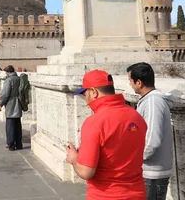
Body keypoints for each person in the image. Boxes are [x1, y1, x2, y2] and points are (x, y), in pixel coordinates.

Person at [66, 69, 147, 199]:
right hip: (137, 193)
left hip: (106, 195)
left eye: (85, 94)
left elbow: (86, 172)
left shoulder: (94, 123)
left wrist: (73, 158)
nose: (86, 100)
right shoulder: (136, 116)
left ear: (94, 92)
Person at [127, 62, 174, 200]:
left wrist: (134, 160)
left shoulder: (153, 102)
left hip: (152, 173)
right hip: (149, 171)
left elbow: (152, 139)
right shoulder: (149, 100)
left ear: (139, 82)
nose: (129, 84)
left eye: (130, 80)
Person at [0, 65, 22, 151]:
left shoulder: (9, 80)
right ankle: (19, 144)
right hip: (18, 103)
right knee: (17, 125)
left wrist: (0, 104)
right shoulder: (18, 79)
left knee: (10, 126)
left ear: (8, 72)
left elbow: (5, 94)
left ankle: (11, 144)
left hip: (11, 104)